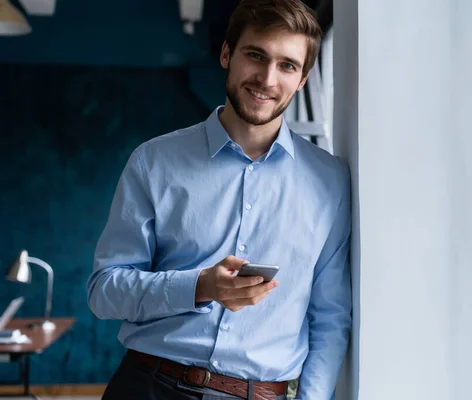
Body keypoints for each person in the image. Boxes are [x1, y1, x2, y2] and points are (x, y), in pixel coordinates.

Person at [86, 0, 351, 399]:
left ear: (302, 78)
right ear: (227, 54)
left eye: (287, 65)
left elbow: (330, 317)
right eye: (255, 55)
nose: (266, 78)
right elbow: (105, 291)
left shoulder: (330, 182)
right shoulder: (154, 161)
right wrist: (199, 286)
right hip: (147, 387)